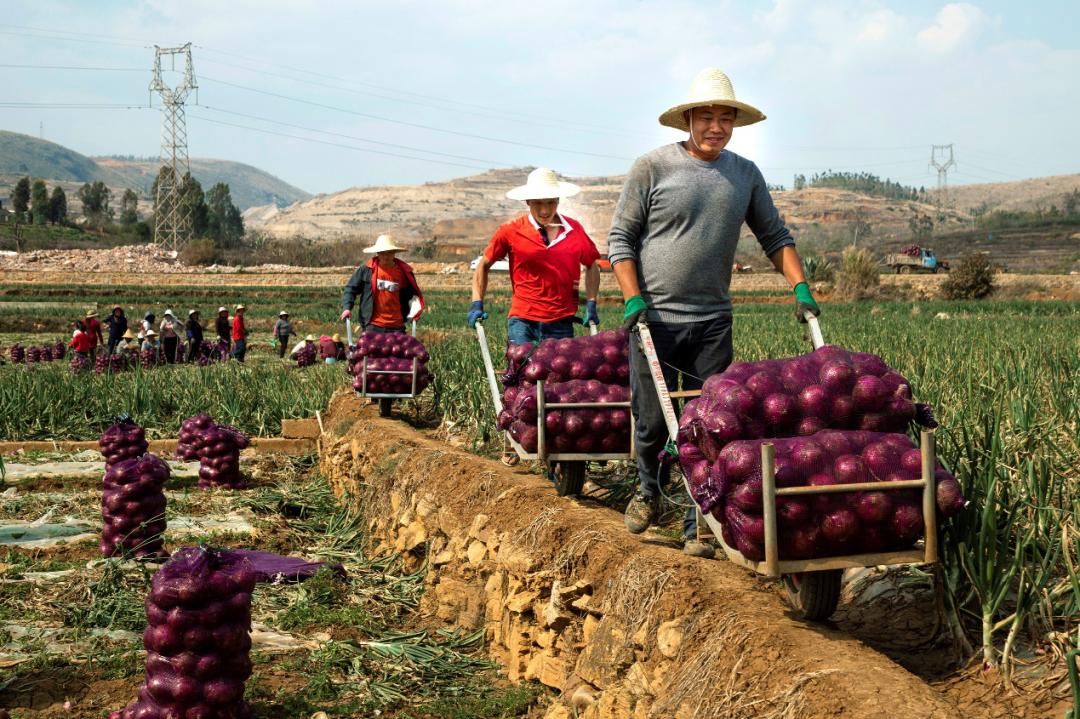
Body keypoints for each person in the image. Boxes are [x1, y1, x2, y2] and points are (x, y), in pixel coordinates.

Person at [607, 67, 820, 559]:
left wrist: (801, 286)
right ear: (687, 119)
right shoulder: (652, 167)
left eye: (726, 118)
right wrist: (633, 296)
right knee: (652, 423)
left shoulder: (744, 174)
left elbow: (775, 236)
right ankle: (647, 490)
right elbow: (620, 239)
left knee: (708, 423)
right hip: (652, 319)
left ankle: (695, 519)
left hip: (712, 322)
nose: (716, 127)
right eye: (706, 116)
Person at [469, 168, 601, 343]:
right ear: (528, 201)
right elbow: (483, 265)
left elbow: (592, 264)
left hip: (561, 322)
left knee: (559, 369)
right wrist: (476, 303)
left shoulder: (574, 230)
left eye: (550, 203)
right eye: (538, 203)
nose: (545, 210)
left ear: (558, 200)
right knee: (523, 368)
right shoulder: (511, 230)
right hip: (523, 320)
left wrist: (591, 303)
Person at [340, 235, 425, 334]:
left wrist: (414, 312)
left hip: (396, 325)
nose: (386, 256)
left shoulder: (404, 272)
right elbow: (351, 289)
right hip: (372, 325)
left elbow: (413, 296)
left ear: (394, 253)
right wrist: (347, 308)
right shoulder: (367, 269)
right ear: (377, 253)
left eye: (389, 252)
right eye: (382, 253)